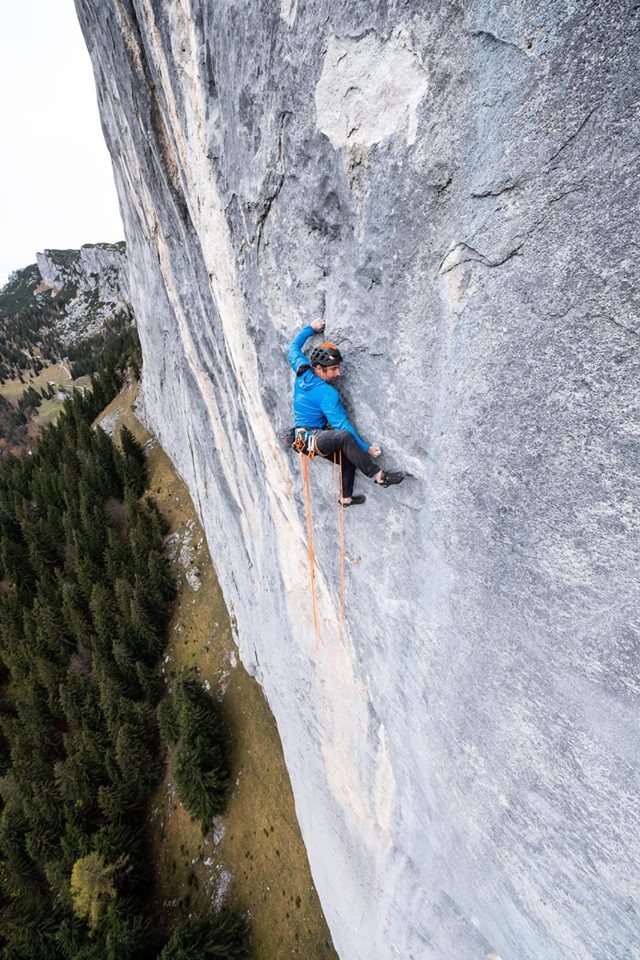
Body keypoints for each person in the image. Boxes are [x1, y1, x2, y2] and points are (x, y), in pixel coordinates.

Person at [287, 319, 404, 505]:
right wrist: (366, 448)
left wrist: (311, 328)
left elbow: (293, 348)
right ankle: (379, 475)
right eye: (333, 369)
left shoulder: (302, 370)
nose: (339, 373)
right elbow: (342, 427)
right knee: (344, 438)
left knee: (348, 454)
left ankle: (345, 498)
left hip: (303, 439)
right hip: (311, 438)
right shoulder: (328, 394)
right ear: (319, 369)